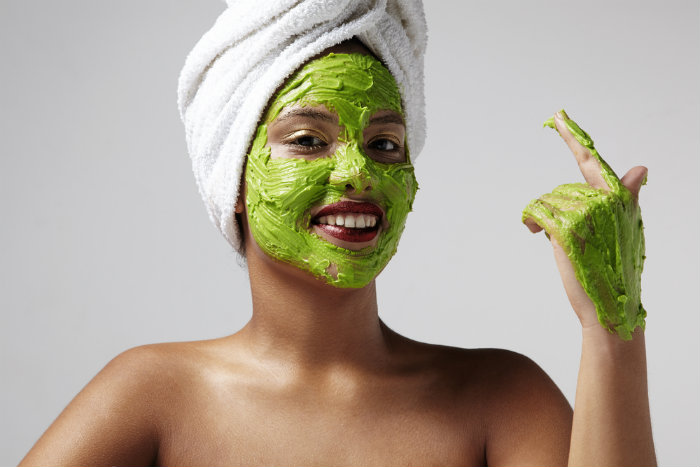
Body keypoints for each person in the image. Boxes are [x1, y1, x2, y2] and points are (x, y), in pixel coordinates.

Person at [19, 1, 656, 466]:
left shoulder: (502, 398)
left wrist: (612, 326)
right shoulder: (152, 393)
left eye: (385, 143)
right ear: (233, 184)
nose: (358, 172)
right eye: (306, 140)